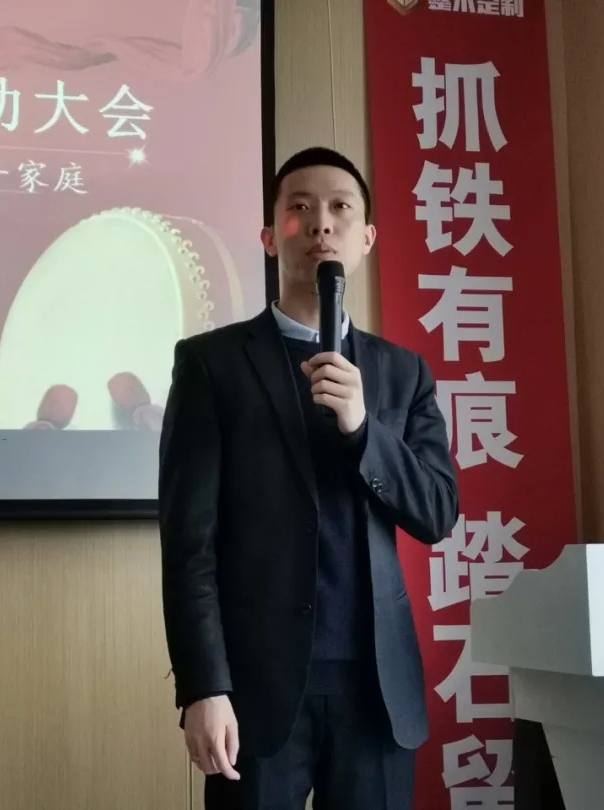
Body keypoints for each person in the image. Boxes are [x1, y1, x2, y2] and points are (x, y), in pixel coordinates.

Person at [158, 146, 460, 810]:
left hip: (377, 692)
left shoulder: (402, 373)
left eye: (340, 208)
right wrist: (203, 686)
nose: (321, 222)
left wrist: (364, 430)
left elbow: (438, 511)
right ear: (270, 236)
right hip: (255, 693)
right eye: (299, 208)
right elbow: (189, 546)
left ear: (366, 238)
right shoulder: (213, 364)